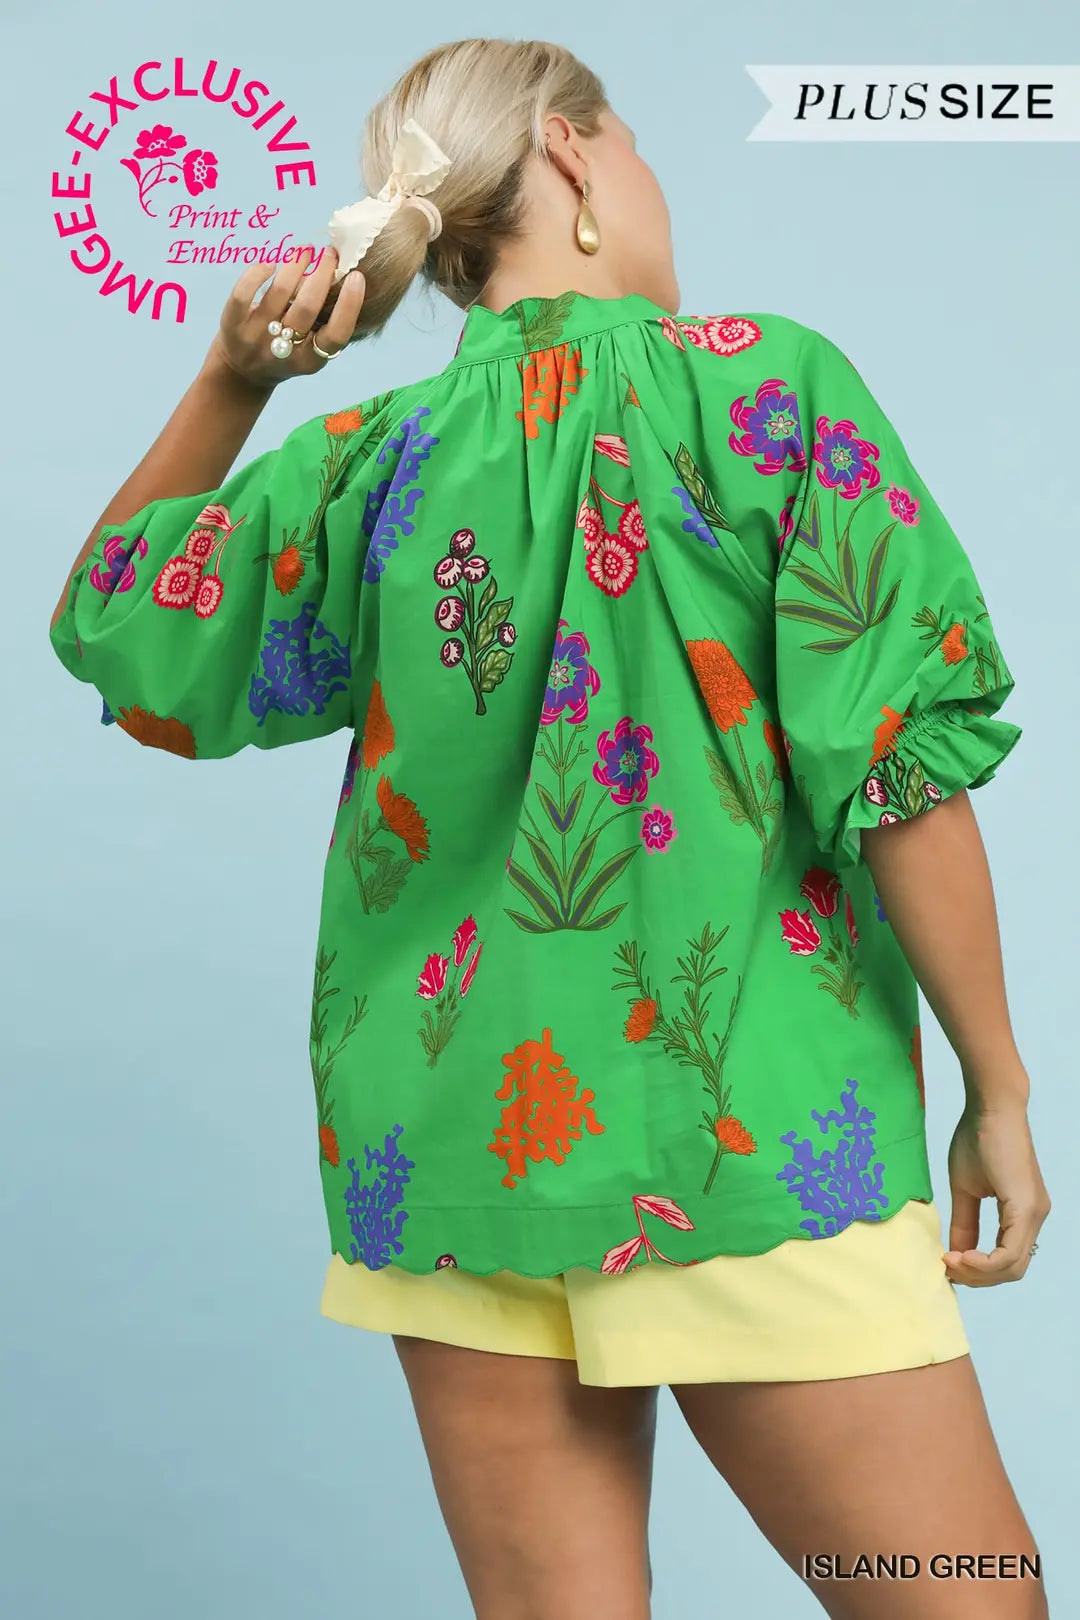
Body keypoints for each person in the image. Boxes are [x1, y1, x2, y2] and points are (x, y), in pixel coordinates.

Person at [49, 36, 1051, 1620]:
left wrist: (235, 380)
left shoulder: (369, 461)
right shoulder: (767, 385)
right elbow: (900, 763)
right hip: (744, 1137)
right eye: (638, 146)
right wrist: (998, 1085)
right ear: (577, 156)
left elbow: (119, 626)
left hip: (449, 1154)